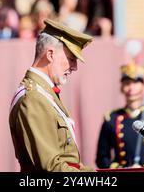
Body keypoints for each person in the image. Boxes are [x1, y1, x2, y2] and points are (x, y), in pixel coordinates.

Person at [9, 18, 94, 172]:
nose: (74, 67)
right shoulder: (33, 98)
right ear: (50, 54)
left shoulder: (43, 93)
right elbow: (51, 167)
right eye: (71, 59)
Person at [96, 62, 144, 169]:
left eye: (135, 83)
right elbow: (102, 157)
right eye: (127, 83)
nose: (131, 87)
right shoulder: (112, 118)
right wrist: (119, 168)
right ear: (122, 87)